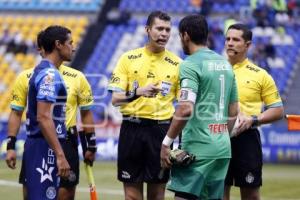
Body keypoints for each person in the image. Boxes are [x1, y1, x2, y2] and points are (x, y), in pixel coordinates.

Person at [5, 29, 97, 200]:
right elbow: (41, 116)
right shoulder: (47, 75)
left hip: (65, 140)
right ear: (57, 45)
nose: (73, 48)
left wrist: (91, 145)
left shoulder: (74, 76)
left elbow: (86, 113)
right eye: (70, 43)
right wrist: (11, 145)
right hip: (44, 144)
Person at [160, 14, 239, 200]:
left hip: (198, 150)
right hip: (222, 149)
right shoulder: (225, 64)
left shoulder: (190, 64)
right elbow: (234, 111)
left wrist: (166, 143)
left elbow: (185, 109)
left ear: (185, 35)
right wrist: (220, 136)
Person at [108, 10, 181, 200]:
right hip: (131, 128)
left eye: (167, 30)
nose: (163, 33)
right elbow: (115, 98)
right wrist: (138, 92)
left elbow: (184, 105)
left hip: (161, 131)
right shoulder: (127, 58)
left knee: (157, 194)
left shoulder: (178, 64)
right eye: (159, 28)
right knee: (131, 195)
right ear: (147, 30)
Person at [224, 23, 284, 200]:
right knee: (218, 192)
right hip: (219, 136)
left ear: (248, 45)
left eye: (236, 39)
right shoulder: (216, 70)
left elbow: (278, 110)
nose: (230, 43)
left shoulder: (260, 74)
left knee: (251, 195)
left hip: (247, 137)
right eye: (227, 39)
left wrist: (253, 120)